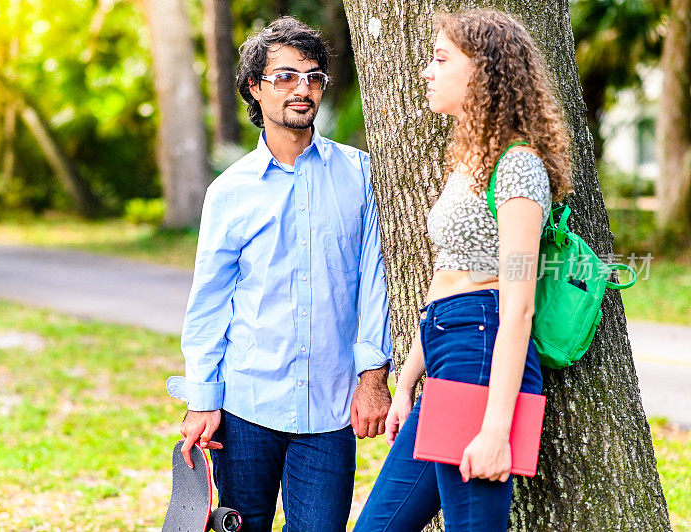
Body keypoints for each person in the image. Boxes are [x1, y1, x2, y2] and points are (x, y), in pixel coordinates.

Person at [166, 16, 393, 532]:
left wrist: (373, 378)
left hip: (332, 408)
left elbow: (375, 280)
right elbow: (209, 302)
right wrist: (202, 400)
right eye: (285, 76)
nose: (302, 89)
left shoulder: (359, 175)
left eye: (313, 77)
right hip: (247, 408)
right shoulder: (230, 192)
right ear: (254, 87)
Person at [354, 9, 572, 531]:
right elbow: (446, 278)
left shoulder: (518, 166)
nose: (426, 72)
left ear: (484, 71)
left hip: (482, 355)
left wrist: (496, 430)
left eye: (441, 59)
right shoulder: (470, 161)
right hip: (449, 354)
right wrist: (407, 383)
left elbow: (517, 308)